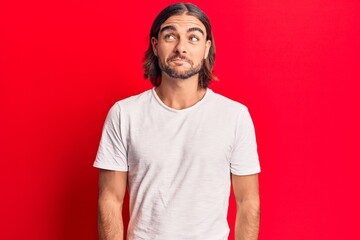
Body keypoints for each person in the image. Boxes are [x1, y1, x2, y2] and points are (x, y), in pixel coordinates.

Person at [94, 2, 261, 240]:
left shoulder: (235, 116)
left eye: (193, 38)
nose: (181, 47)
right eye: (170, 36)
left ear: (206, 48)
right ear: (155, 45)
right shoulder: (124, 114)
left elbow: (248, 202)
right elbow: (110, 199)